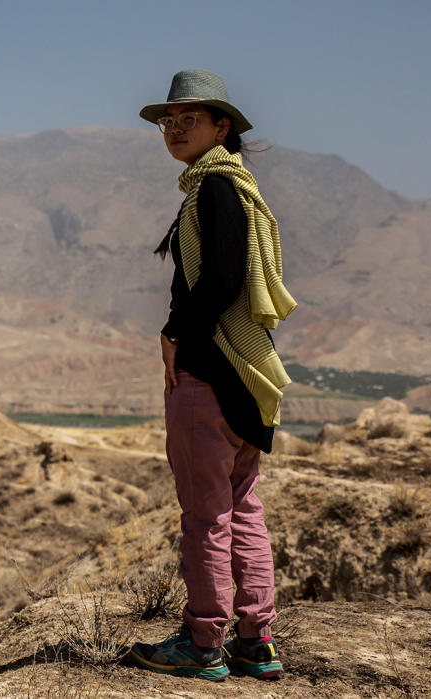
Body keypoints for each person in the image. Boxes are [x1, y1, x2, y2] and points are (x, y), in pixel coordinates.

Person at [128, 69, 297, 682]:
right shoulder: (237, 187)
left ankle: (203, 645)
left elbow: (220, 282)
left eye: (187, 120)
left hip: (208, 377)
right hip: (246, 376)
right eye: (167, 122)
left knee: (206, 516)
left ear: (221, 126)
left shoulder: (212, 190)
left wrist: (174, 334)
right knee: (242, 506)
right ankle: (256, 642)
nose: (173, 130)